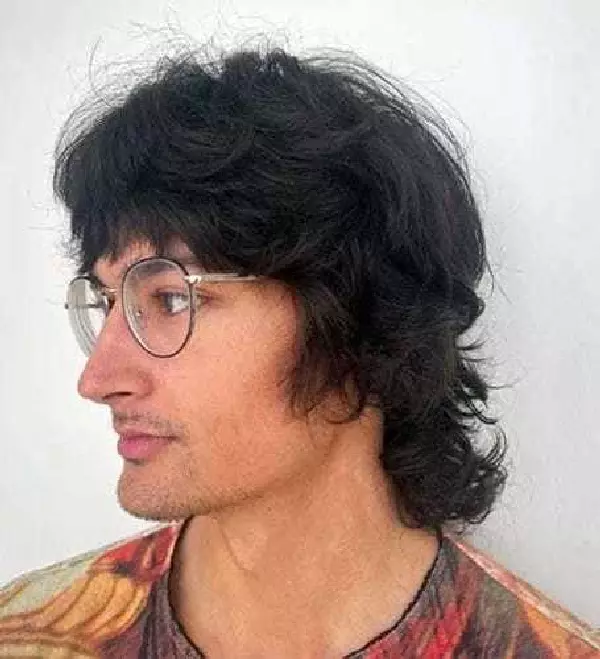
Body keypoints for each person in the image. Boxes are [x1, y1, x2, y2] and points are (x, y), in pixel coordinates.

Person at [1, 45, 598, 658]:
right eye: (107, 304)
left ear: (356, 321)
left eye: (171, 300)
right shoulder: (27, 638)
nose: (98, 379)